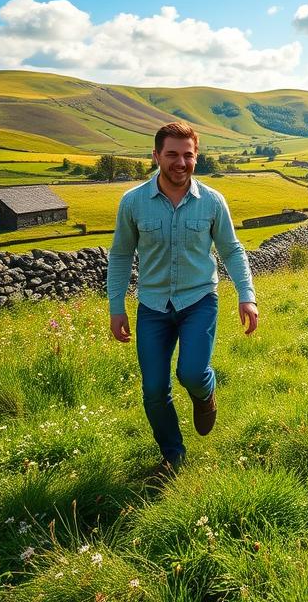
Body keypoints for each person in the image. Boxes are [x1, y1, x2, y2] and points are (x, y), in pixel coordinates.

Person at [107, 122, 259, 472]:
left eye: (188, 155)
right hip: (153, 305)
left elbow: (232, 251)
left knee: (191, 372)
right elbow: (119, 255)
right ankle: (173, 455)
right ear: (156, 155)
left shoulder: (212, 202)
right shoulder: (133, 202)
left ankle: (205, 393)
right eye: (172, 154)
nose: (180, 162)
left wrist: (246, 295)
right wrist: (117, 306)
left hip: (199, 301)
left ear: (196, 156)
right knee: (154, 389)